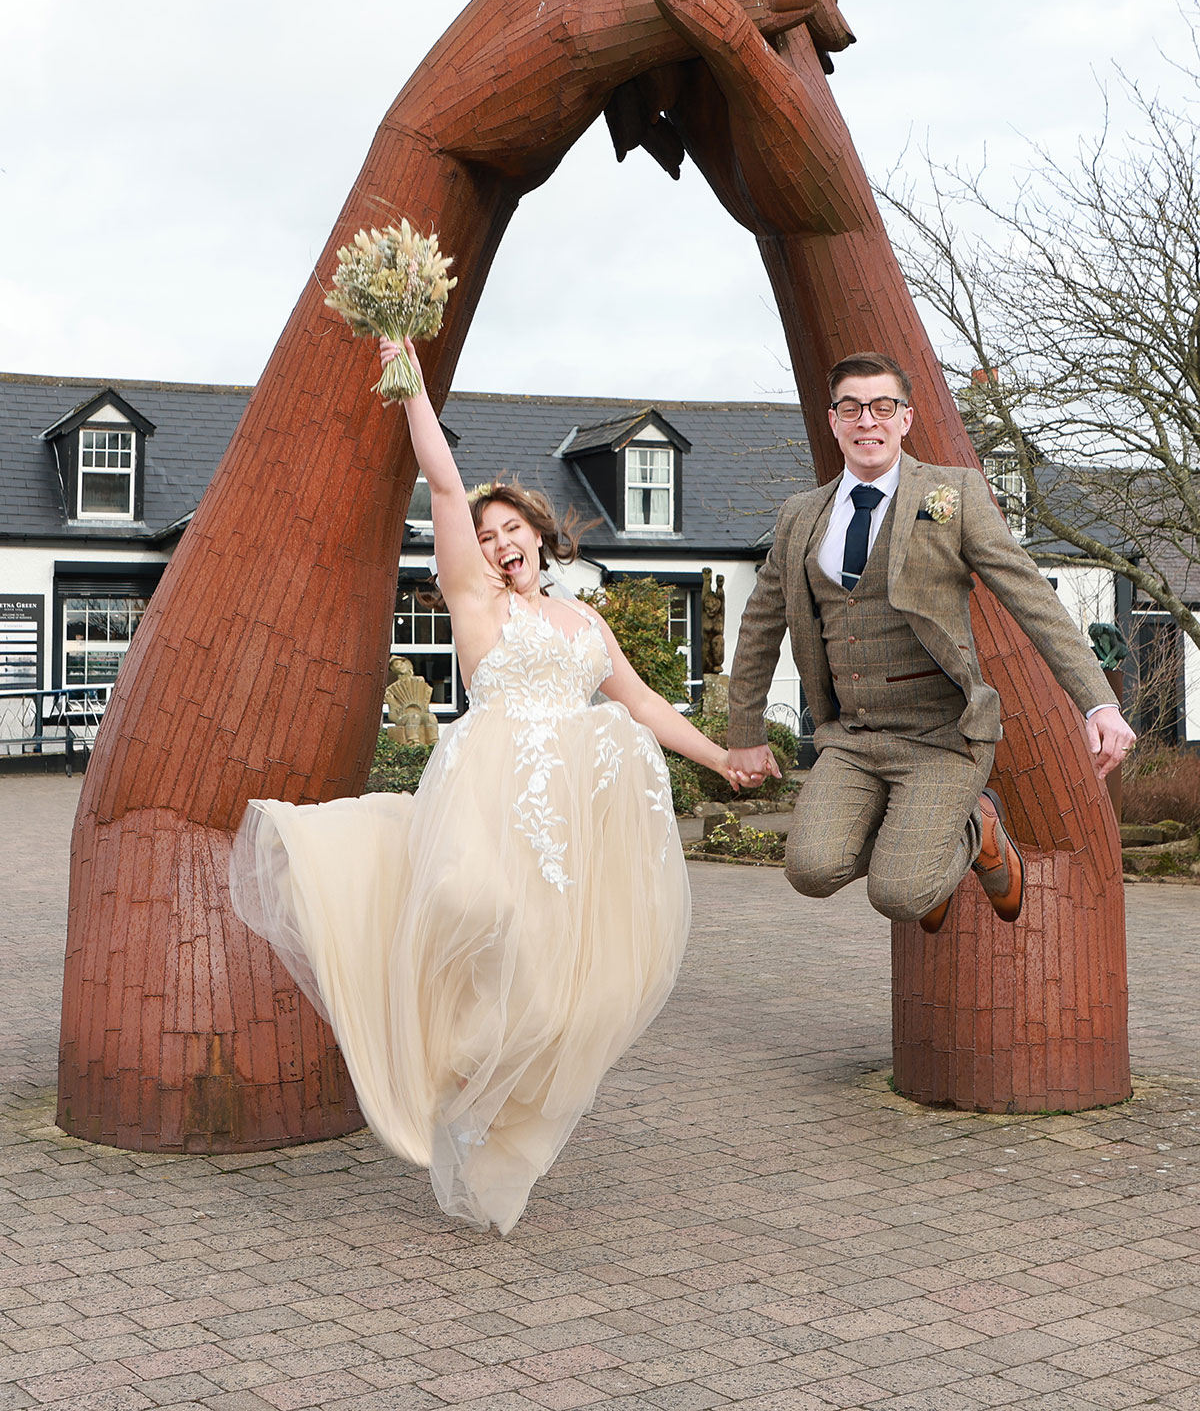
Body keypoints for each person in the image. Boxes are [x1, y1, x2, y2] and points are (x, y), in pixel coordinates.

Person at [230, 337, 741, 1234]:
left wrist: (723, 760)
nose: (501, 542)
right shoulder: (475, 600)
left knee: (562, 985)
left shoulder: (585, 620)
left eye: (514, 530)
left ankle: (489, 1099)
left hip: (571, 817)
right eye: (488, 531)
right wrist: (414, 390)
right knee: (469, 904)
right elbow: (438, 480)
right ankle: (439, 1058)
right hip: (488, 786)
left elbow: (648, 703)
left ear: (541, 536)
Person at [726, 352, 1136, 935]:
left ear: (905, 419)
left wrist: (1098, 702)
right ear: (834, 420)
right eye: (852, 407)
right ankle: (923, 846)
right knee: (810, 870)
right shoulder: (799, 516)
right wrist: (744, 733)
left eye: (882, 407)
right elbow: (761, 625)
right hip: (852, 736)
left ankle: (976, 826)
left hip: (944, 737)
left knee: (899, 894)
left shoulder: (954, 494)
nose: (867, 420)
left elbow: (1031, 597)